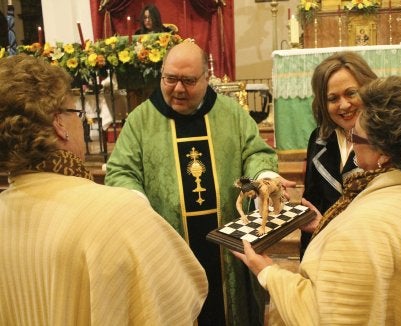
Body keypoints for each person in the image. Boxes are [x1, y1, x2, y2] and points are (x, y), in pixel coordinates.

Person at [233, 75, 401, 325]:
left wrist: (268, 271)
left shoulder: (362, 229)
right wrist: (327, 225)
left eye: (356, 137)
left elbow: (322, 316)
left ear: (384, 154)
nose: (351, 146)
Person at [0, 54, 207, 325]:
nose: (82, 122)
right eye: (76, 112)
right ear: (59, 124)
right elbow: (180, 300)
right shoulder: (117, 213)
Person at [105, 40, 293, 325]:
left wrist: (263, 177)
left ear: (207, 78)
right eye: (170, 79)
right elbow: (121, 171)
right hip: (169, 246)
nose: (178, 89)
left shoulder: (230, 115)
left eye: (189, 81)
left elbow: (255, 153)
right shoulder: (140, 120)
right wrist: (137, 202)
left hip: (228, 247)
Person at [300, 51, 401, 259]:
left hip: (384, 259)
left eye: (351, 93)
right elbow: (313, 202)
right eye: (332, 98)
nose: (343, 105)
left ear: (369, 90)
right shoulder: (319, 140)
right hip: (330, 257)